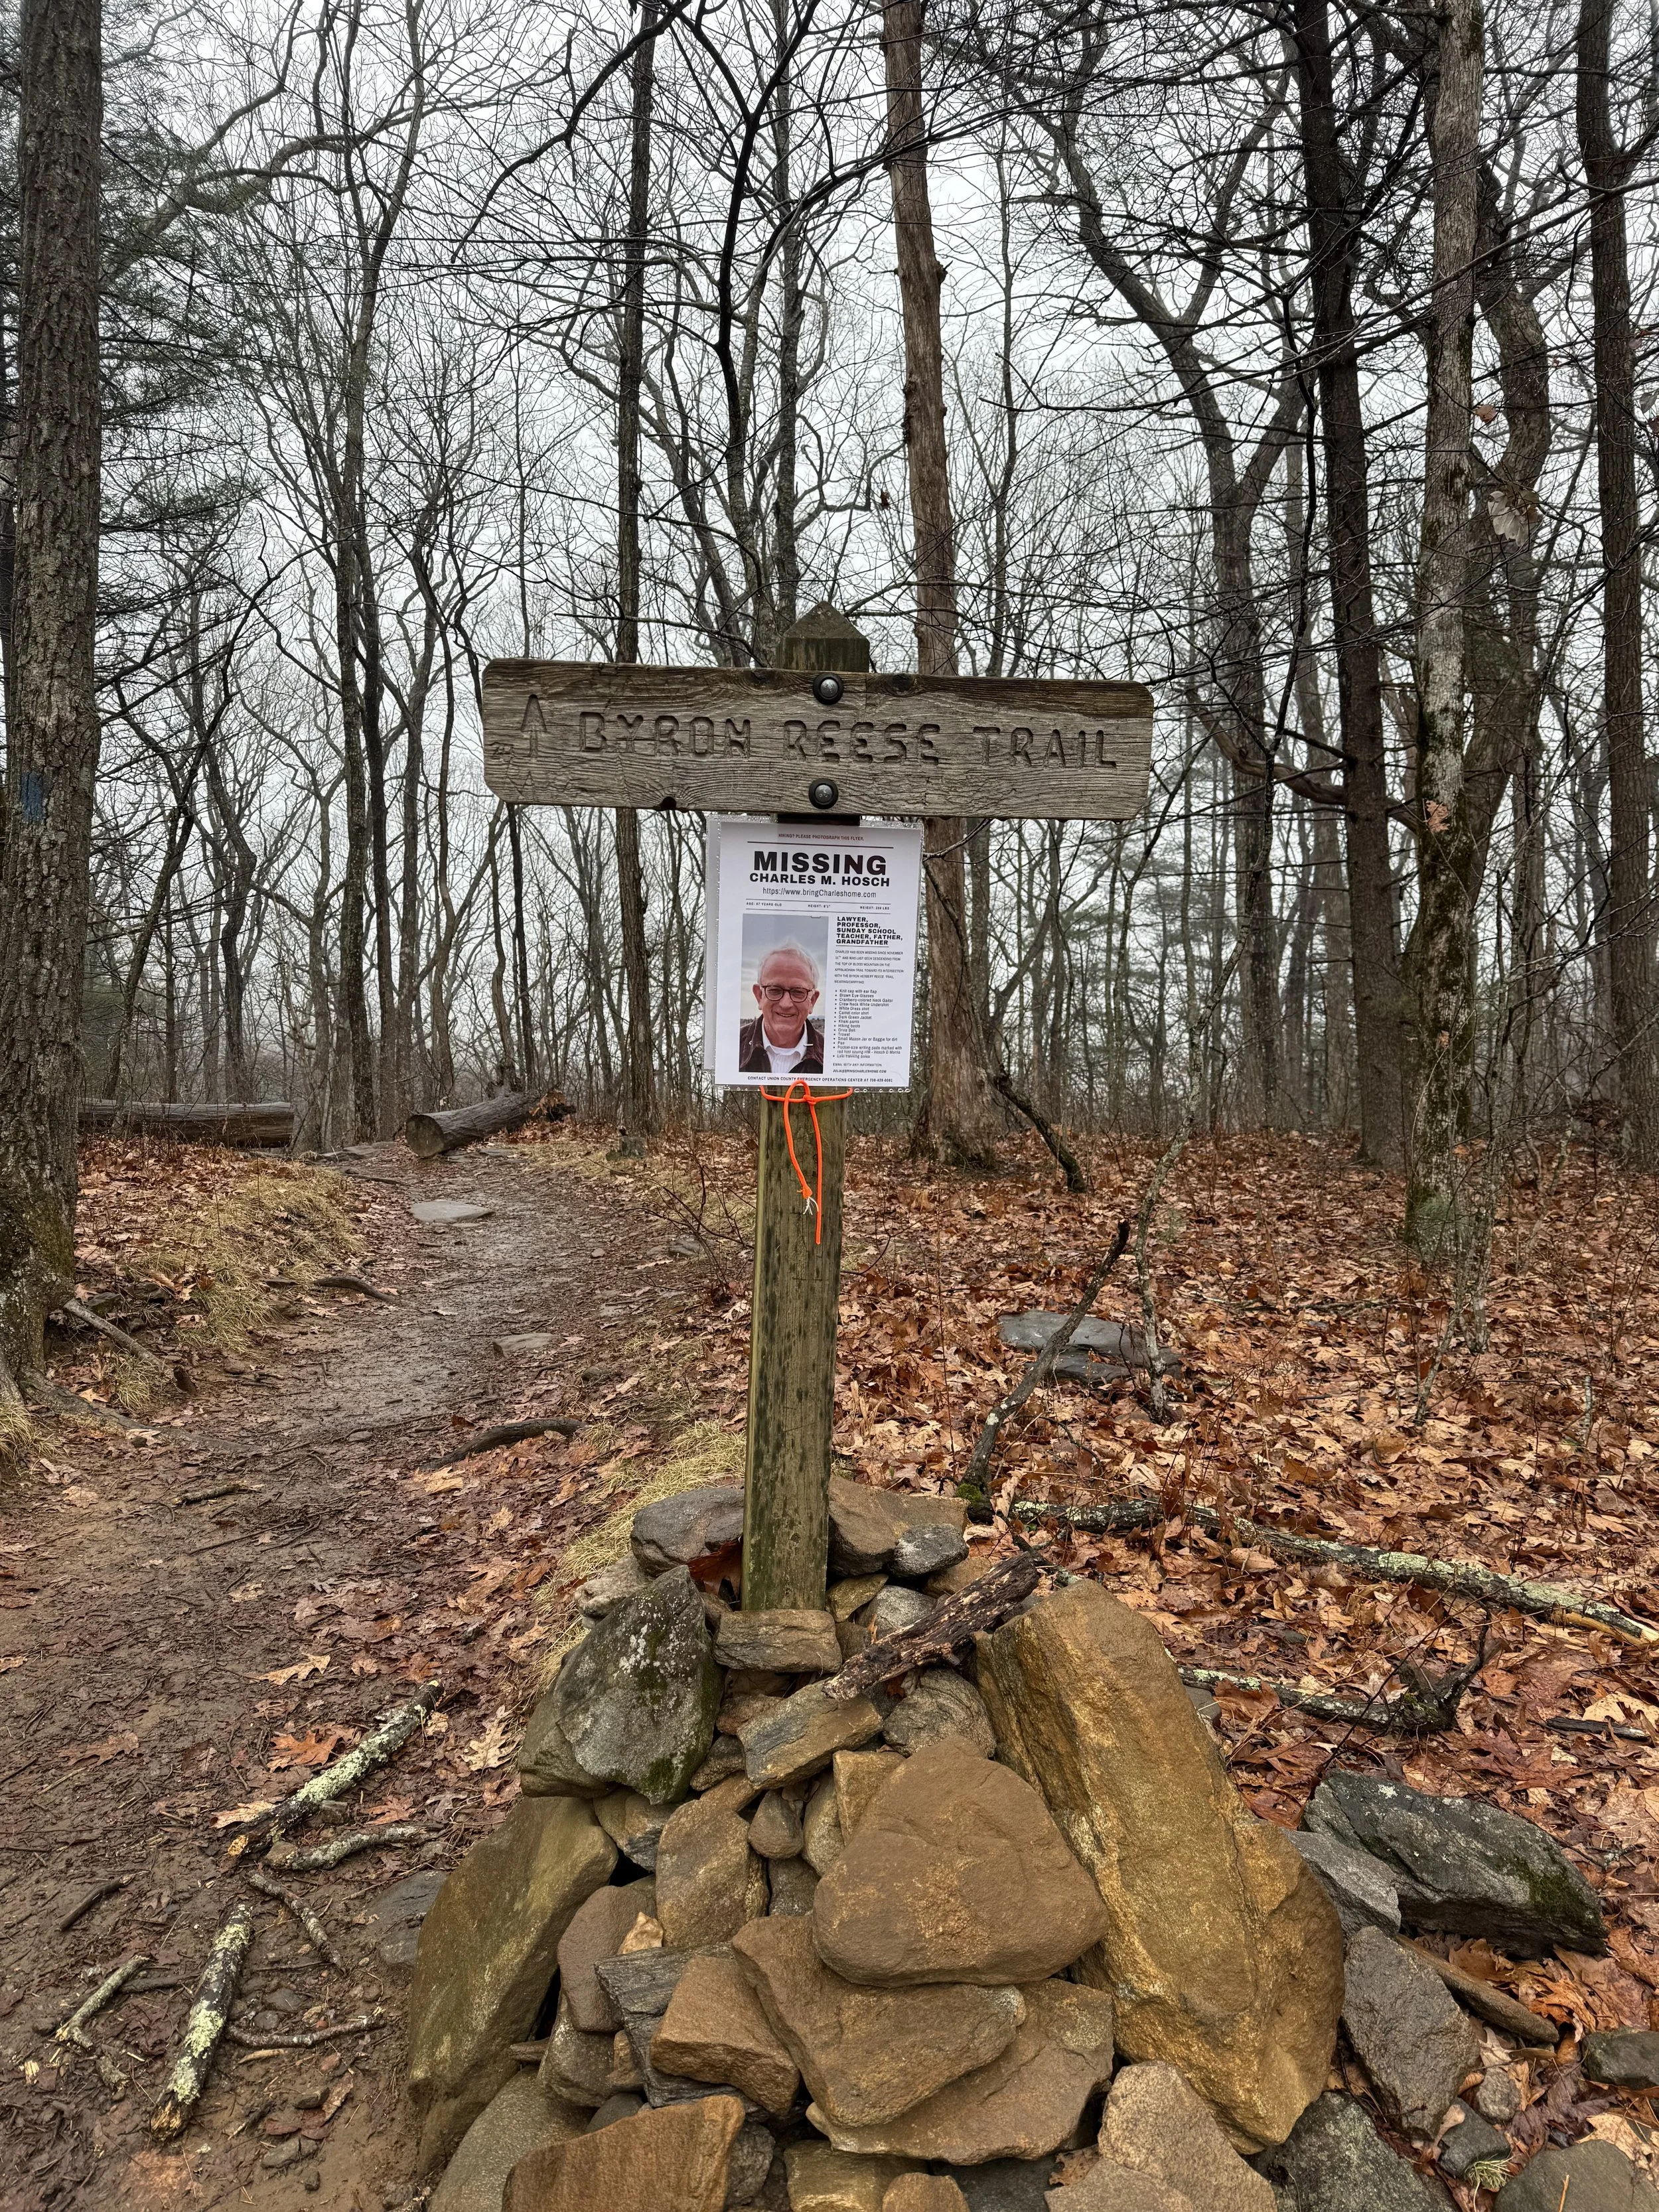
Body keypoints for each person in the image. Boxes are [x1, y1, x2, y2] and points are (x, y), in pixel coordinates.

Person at [739, 941, 825, 1074]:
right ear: (759, 996)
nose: (786, 1004)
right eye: (775, 990)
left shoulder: (833, 1056)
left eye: (798, 992)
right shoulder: (730, 1049)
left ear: (812, 1001)